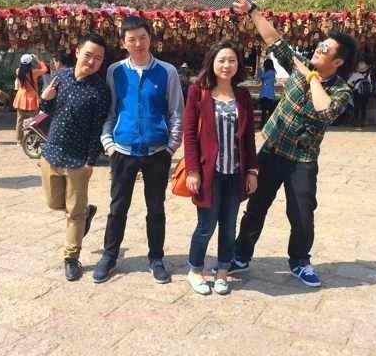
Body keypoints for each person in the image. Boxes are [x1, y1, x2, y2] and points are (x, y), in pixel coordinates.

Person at [230, 0, 357, 287]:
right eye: (320, 45)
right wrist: (252, 11)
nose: (318, 49)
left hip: (302, 159)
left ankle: (299, 261)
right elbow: (274, 40)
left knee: (301, 213)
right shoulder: (299, 64)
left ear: (338, 62)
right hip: (272, 150)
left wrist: (311, 76)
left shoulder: (341, 90)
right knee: (256, 206)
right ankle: (241, 254)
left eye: (325, 49)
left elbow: (325, 111)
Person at [96, 15, 184, 284]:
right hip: (122, 151)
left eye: (142, 38)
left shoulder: (167, 72)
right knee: (117, 207)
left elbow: (176, 112)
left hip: (157, 152)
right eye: (132, 39)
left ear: (150, 39)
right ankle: (110, 256)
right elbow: (110, 111)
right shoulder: (115, 71)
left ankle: (156, 258)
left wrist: (171, 146)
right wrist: (108, 144)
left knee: (156, 209)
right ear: (123, 43)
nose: (138, 44)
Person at [183, 41, 258, 295]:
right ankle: (196, 270)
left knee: (229, 226)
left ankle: (223, 271)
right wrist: (192, 170)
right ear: (212, 63)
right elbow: (189, 134)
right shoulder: (199, 91)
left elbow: (249, 138)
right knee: (206, 226)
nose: (227, 65)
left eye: (232, 60)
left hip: (235, 173)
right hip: (208, 173)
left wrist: (252, 171)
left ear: (238, 65)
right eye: (222, 60)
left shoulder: (243, 96)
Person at [39, 34, 111, 281]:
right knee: (53, 203)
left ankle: (71, 257)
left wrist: (91, 161)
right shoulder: (61, 76)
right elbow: (47, 111)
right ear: (77, 51)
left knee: (73, 213)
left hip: (78, 160)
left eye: (98, 58)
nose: (92, 61)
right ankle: (85, 212)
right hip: (51, 153)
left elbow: (97, 129)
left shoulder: (100, 90)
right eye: (88, 55)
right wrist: (44, 100)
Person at [13, 54, 47, 144]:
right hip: (31, 98)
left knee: (19, 120)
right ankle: (32, 138)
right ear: (30, 63)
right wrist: (37, 60)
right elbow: (45, 69)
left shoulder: (18, 71)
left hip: (21, 97)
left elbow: (22, 69)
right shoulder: (34, 72)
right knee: (34, 119)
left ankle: (19, 140)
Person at [348, 61, 373, 126]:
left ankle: (356, 122)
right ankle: (363, 122)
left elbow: (349, 82)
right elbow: (370, 83)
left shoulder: (355, 75)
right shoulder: (368, 75)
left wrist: (353, 85)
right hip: (365, 94)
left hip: (356, 93)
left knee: (356, 108)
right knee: (363, 108)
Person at [257, 58, 276, 129]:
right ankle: (264, 126)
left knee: (267, 112)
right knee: (265, 112)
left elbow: (261, 76)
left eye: (264, 64)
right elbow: (259, 78)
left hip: (267, 95)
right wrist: (259, 69)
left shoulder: (270, 72)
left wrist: (259, 68)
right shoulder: (270, 72)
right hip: (267, 95)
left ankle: (267, 126)